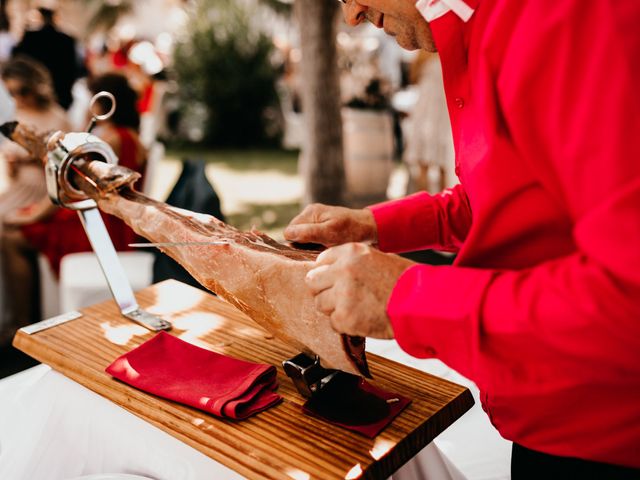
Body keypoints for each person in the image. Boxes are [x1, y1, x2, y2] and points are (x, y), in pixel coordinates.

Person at [284, 0, 640, 477]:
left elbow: (628, 294)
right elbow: (504, 200)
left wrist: (405, 299)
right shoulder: (475, 27)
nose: (350, 15)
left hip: (609, 434)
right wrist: (373, 224)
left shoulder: (563, 17)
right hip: (552, 415)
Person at [1, 72, 145, 333]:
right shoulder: (132, 137)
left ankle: (21, 320)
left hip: (101, 224)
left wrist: (33, 215)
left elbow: (70, 184)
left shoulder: (110, 139)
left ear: (102, 105)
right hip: (112, 219)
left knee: (11, 237)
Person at [12, 5, 81, 110]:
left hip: (35, 92)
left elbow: (17, 60)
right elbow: (73, 68)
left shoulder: (30, 37)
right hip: (60, 93)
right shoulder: (67, 40)